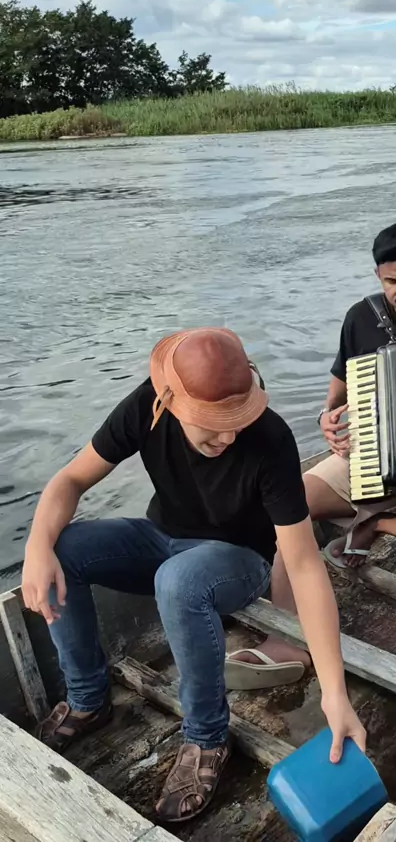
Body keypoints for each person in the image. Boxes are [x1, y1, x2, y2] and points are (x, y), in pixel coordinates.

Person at [21, 326, 365, 824]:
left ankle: (206, 738)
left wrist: (335, 693)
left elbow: (305, 564)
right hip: (161, 537)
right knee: (64, 546)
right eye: (212, 424)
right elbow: (71, 479)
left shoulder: (269, 438)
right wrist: (36, 547)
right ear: (169, 401)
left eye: (236, 420)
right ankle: (87, 699)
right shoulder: (146, 406)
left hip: (238, 559)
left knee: (178, 582)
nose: (228, 436)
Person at [227, 221, 396, 689]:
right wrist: (327, 419)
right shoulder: (362, 318)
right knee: (287, 505)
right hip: (367, 460)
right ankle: (285, 638)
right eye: (392, 280)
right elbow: (338, 394)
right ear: (378, 276)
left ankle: (375, 523)